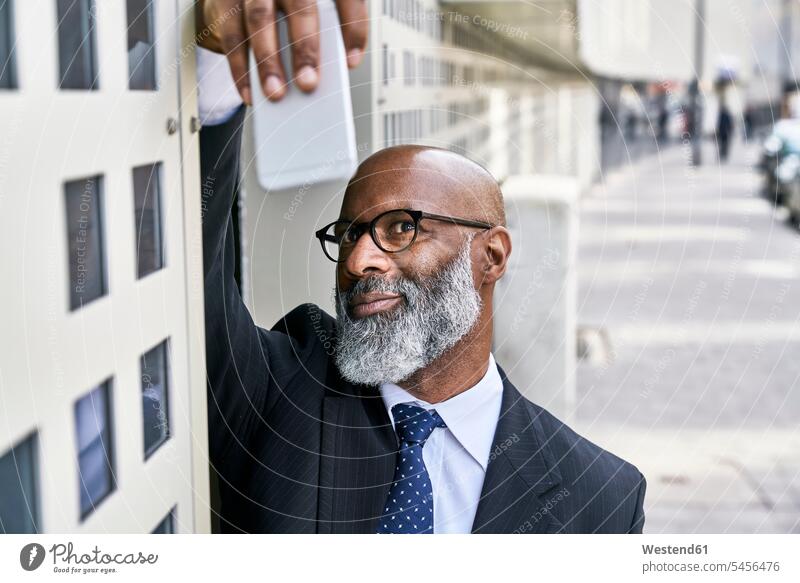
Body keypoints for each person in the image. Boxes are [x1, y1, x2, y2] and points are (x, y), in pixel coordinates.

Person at [196, 0, 647, 534]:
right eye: (348, 235)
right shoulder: (281, 389)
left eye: (401, 228)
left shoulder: (600, 498)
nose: (359, 259)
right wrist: (219, 64)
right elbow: (188, 283)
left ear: (492, 256)